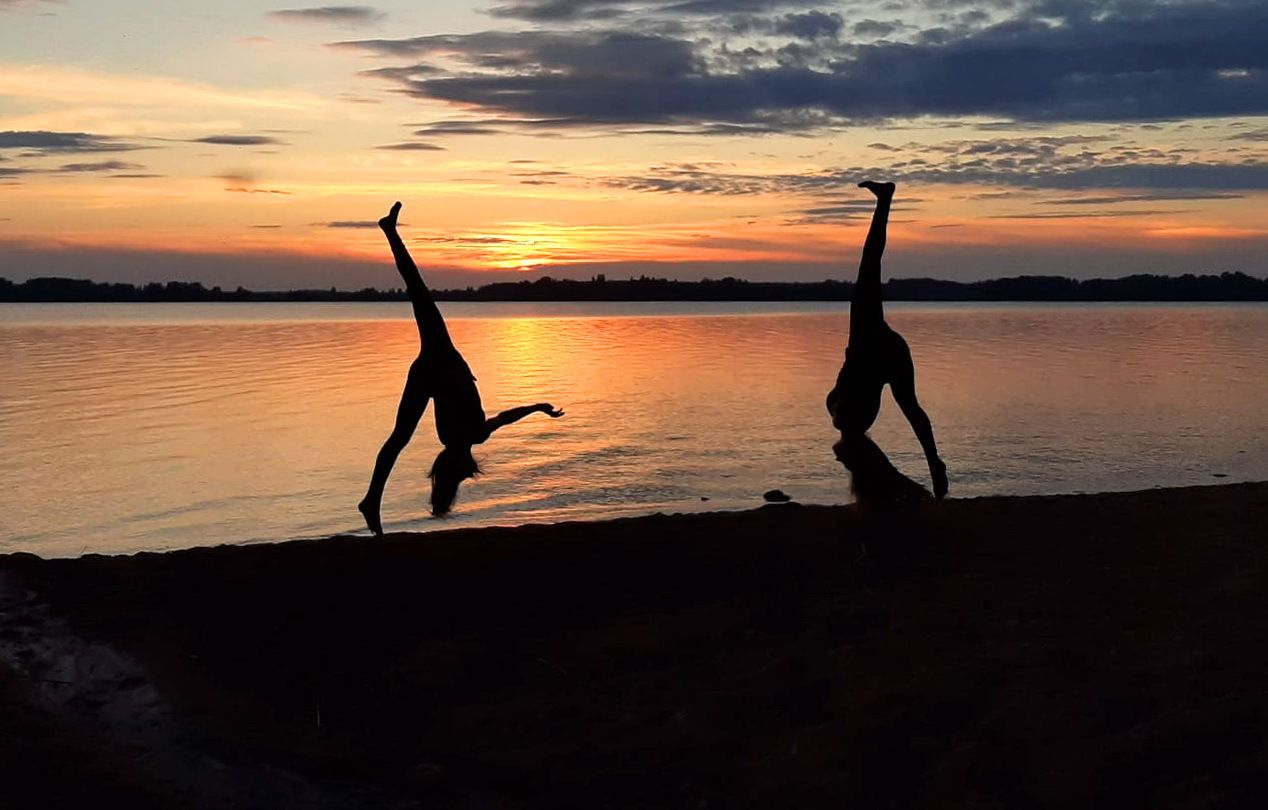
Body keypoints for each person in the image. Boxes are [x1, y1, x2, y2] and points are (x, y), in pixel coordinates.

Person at [358, 201, 564, 533]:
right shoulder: (456, 436)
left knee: (418, 291)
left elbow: (502, 418)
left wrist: (537, 407)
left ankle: (390, 232)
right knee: (397, 438)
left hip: (437, 361)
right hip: (430, 371)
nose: (471, 466)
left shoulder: (472, 435)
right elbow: (506, 417)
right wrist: (537, 408)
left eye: (464, 470)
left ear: (459, 464)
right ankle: (370, 500)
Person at [826, 181, 948, 499]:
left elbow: (873, 255)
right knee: (910, 408)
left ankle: (885, 198)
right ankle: (932, 467)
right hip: (884, 350)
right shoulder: (847, 396)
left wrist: (883, 204)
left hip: (876, 350)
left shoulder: (847, 401)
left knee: (869, 265)